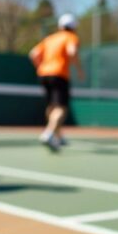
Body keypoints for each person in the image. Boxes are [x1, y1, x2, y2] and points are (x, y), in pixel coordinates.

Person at [29, 13, 84, 152]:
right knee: (61, 108)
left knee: (52, 106)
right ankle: (49, 133)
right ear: (73, 27)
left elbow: (33, 54)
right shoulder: (71, 37)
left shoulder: (50, 38)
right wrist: (78, 69)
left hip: (44, 74)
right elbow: (71, 52)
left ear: (60, 26)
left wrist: (40, 67)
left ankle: (58, 136)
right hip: (59, 74)